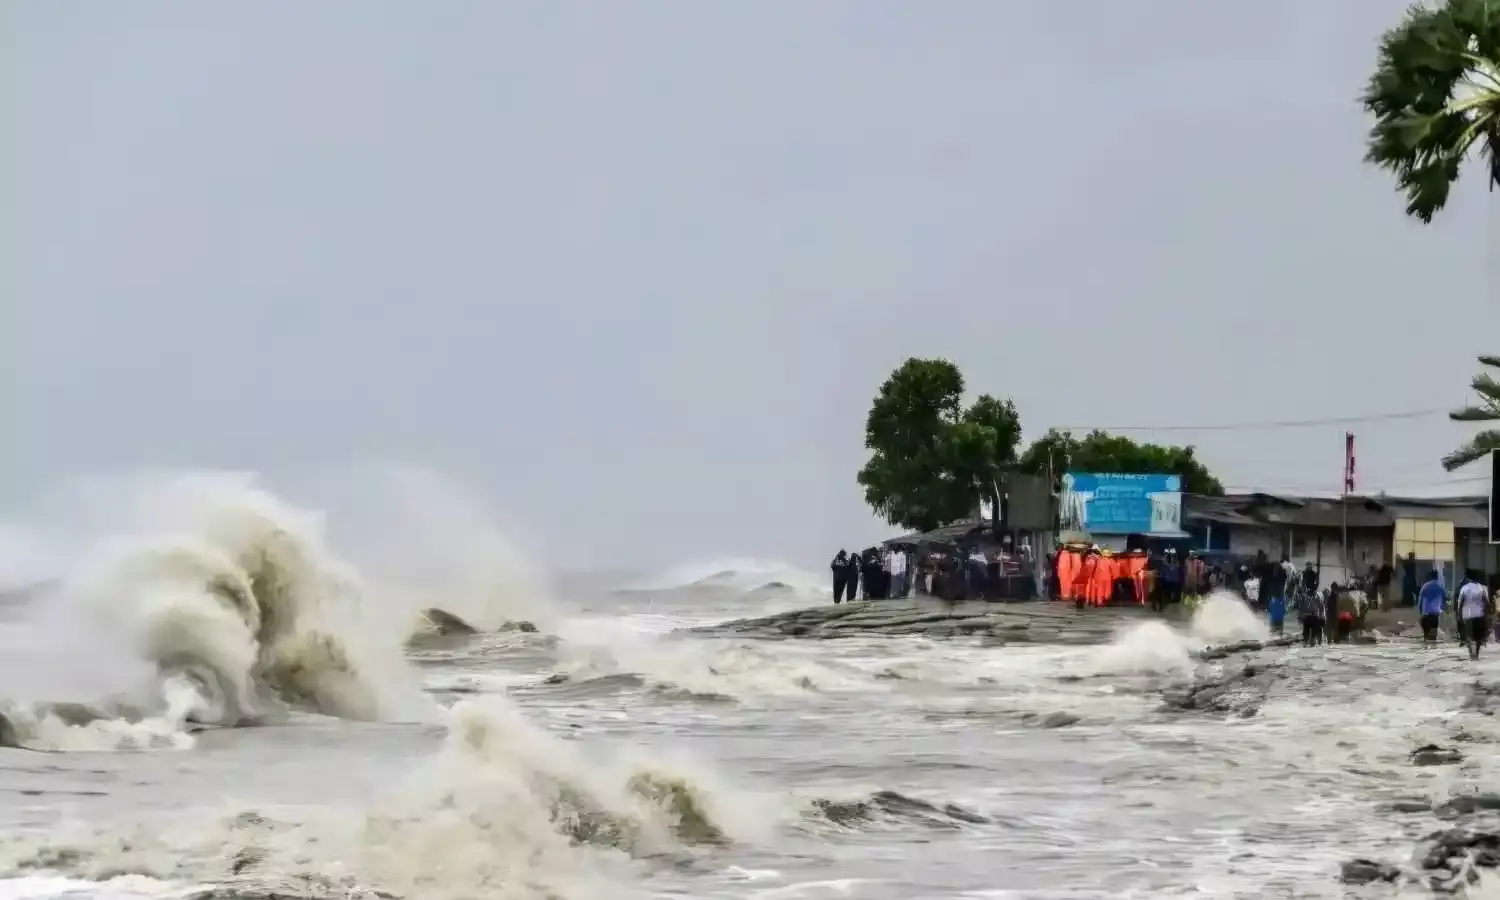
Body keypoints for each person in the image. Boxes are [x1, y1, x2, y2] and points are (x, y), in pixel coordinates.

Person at [1458, 572, 1491, 660]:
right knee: (1478, 636)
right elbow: (1487, 603)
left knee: (1468, 635)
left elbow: (1460, 603)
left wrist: (1459, 615)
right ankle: (1476, 654)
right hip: (1479, 615)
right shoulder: (1483, 588)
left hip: (1467, 615)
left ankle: (1470, 654)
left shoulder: (1464, 588)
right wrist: (1486, 615)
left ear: (1468, 579)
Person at [1418, 570, 1447, 646]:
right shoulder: (1440, 586)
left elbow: (1420, 601)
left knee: (1426, 636)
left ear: (1430, 577)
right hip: (1435, 614)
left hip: (1425, 614)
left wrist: (1421, 611)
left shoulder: (1425, 586)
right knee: (1433, 637)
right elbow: (1445, 599)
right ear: (1437, 577)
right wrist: (1443, 607)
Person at [1296, 580, 1323, 647]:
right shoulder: (1318, 596)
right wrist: (1321, 616)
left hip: (1307, 616)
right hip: (1314, 616)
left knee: (1306, 629)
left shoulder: (1304, 596)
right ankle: (1312, 641)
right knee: (1313, 629)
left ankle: (1306, 641)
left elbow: (1301, 607)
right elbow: (1321, 607)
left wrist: (1300, 617)